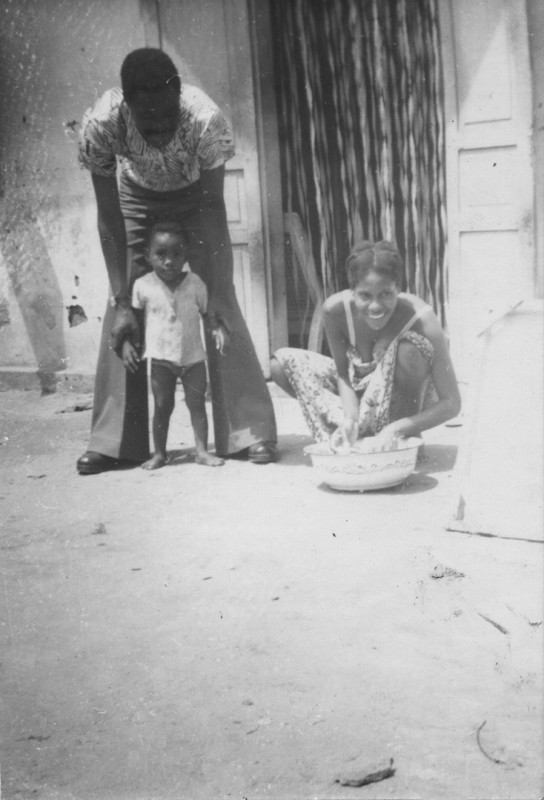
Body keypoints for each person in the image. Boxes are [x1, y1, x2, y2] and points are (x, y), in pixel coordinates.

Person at [76, 48, 277, 474]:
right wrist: (122, 297)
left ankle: (249, 432)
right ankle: (113, 443)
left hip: (194, 201)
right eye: (148, 120)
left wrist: (219, 286)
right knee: (124, 310)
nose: (161, 128)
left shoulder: (206, 120)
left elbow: (213, 207)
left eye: (167, 116)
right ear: (126, 102)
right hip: (134, 199)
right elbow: (109, 217)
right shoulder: (100, 123)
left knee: (220, 302)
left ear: (179, 94)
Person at [271, 240, 461, 451]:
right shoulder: (335, 311)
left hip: (400, 404)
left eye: (386, 294)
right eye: (365, 295)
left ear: (398, 288)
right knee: (281, 364)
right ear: (352, 291)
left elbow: (452, 403)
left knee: (411, 350)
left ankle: (405, 435)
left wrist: (397, 429)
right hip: (357, 395)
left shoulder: (420, 316)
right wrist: (351, 419)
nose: (376, 306)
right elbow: (343, 374)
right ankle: (354, 432)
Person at [121, 221, 227, 470]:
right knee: (161, 406)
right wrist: (127, 343)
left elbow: (207, 314)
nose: (169, 261)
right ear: (148, 255)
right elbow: (133, 321)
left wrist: (217, 329)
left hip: (193, 358)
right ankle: (159, 453)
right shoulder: (143, 285)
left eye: (176, 254)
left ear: (186, 254)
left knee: (197, 405)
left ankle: (202, 451)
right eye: (161, 254)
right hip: (160, 359)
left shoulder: (195, 283)